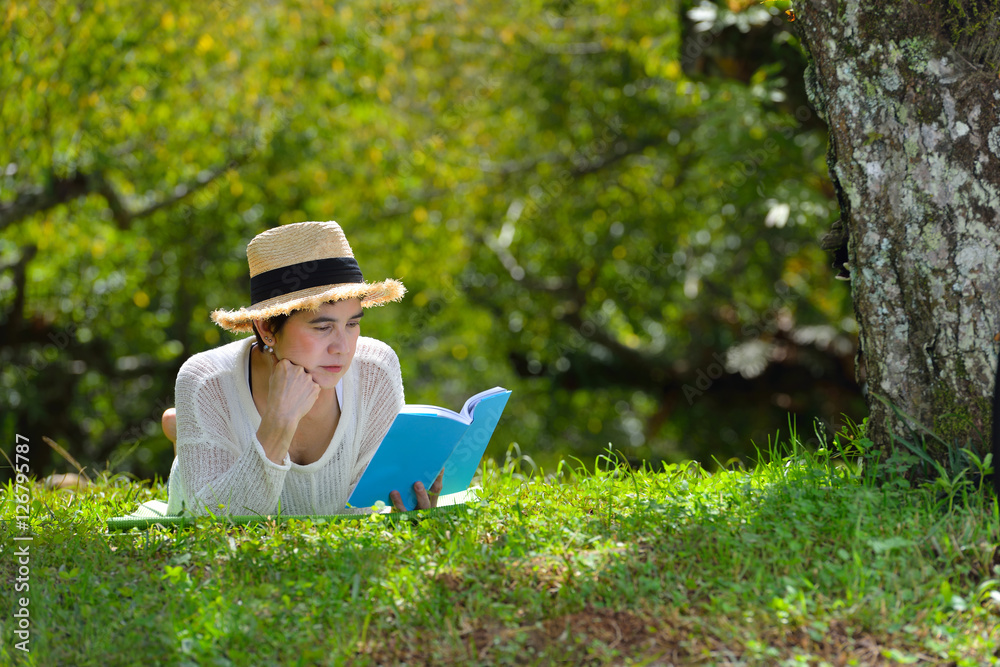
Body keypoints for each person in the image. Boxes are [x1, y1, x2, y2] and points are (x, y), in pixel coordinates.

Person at [164, 220, 440, 515]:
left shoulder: (375, 367)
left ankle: (178, 424)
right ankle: (180, 428)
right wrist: (277, 423)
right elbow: (211, 518)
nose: (342, 348)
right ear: (267, 326)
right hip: (208, 476)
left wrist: (409, 502)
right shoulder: (207, 380)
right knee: (196, 439)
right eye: (322, 327)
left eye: (352, 324)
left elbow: (364, 508)